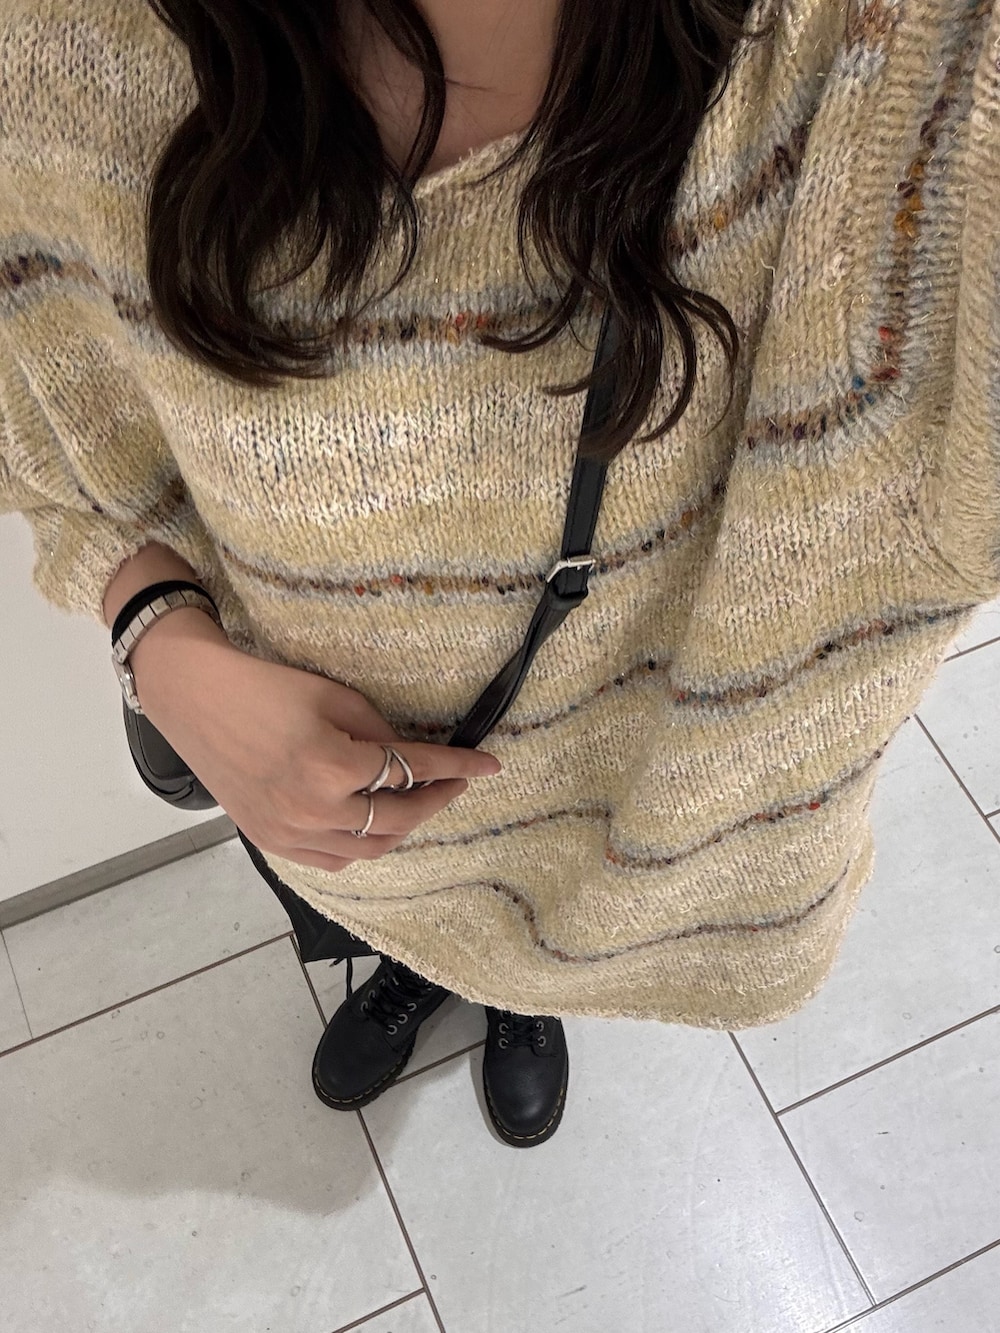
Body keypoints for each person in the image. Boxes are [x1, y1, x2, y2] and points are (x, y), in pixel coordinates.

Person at [4, 0, 1000, 1151]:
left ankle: (522, 998)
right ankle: (417, 965)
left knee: (531, 945)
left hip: (592, 863)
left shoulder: (900, 75)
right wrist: (158, 639)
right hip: (321, 808)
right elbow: (49, 415)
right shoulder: (61, 52)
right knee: (373, 906)